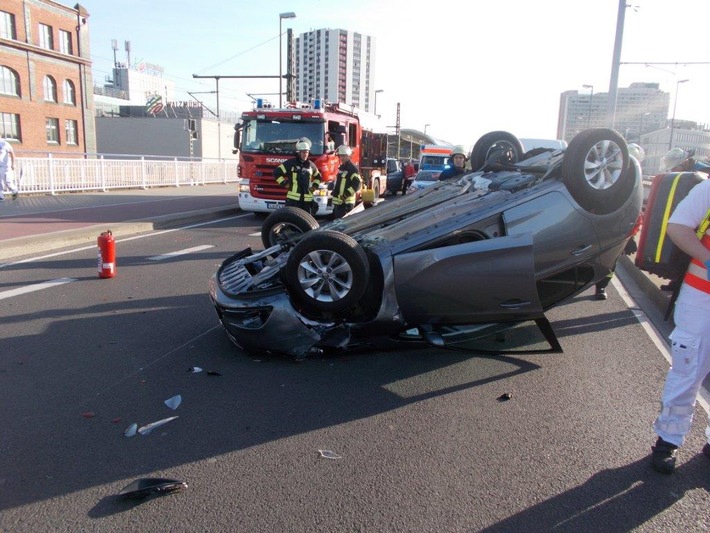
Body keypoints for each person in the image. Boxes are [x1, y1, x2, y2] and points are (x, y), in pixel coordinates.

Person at [650, 177, 710, 474]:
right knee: (688, 371)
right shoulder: (708, 189)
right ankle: (668, 440)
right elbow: (678, 227)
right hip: (702, 298)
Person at [274, 138, 322, 215]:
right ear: (298, 152)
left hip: (307, 201)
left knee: (306, 224)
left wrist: (314, 187)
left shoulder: (311, 165)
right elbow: (277, 172)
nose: (305, 154)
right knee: (292, 222)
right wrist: (284, 183)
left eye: (307, 152)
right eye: (303, 152)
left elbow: (318, 177)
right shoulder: (290, 163)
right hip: (293, 201)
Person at [332, 145, 362, 219]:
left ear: (348, 156)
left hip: (347, 204)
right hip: (339, 203)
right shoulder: (342, 168)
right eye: (340, 156)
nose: (341, 158)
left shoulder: (352, 169)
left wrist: (346, 195)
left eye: (343, 156)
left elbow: (357, 184)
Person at [0, 136, 18, 201]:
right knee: (0, 182)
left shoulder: (5, 144)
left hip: (5, 166)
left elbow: (12, 153)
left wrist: (13, 164)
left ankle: (14, 191)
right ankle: (1, 196)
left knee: (8, 182)